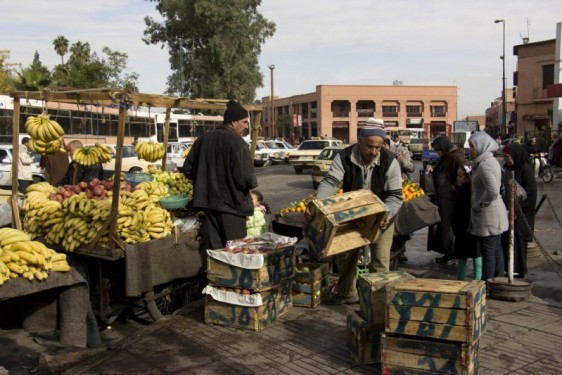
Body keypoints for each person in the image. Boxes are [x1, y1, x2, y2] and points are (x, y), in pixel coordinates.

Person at [313, 126, 403, 304]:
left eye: (378, 147)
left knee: (380, 260)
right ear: (359, 141)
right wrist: (318, 204)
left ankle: (377, 301)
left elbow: (396, 196)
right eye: (370, 146)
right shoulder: (344, 156)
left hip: (382, 215)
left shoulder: (390, 160)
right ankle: (346, 293)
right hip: (352, 213)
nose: (374, 151)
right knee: (346, 256)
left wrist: (386, 215)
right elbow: (331, 182)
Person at [183, 100, 257, 249]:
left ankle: (217, 273)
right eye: (244, 122)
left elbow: (187, 169)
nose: (246, 126)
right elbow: (245, 178)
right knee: (236, 250)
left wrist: (205, 181)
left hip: (209, 205)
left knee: (216, 250)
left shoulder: (203, 139)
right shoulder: (237, 142)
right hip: (232, 207)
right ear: (233, 122)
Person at [468, 132, 508, 295]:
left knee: (489, 251)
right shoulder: (488, 162)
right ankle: (497, 280)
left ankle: (488, 285)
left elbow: (493, 191)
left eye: (472, 147)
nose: (470, 150)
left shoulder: (485, 165)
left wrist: (480, 204)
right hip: (492, 214)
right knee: (495, 249)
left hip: (488, 215)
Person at [426, 136, 466, 265]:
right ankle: (447, 251)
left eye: (438, 149)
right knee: (443, 225)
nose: (438, 152)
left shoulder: (455, 156)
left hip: (450, 199)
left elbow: (463, 175)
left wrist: (455, 186)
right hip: (443, 198)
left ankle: (451, 252)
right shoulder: (447, 156)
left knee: (449, 226)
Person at [501, 142, 537, 279]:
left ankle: (518, 270)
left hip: (522, 214)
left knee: (518, 241)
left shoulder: (526, 169)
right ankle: (508, 268)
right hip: (508, 211)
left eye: (508, 157)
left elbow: (531, 193)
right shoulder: (506, 169)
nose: (506, 160)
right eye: (504, 157)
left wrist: (518, 208)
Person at [452, 166, 481, 281]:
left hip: (463, 227)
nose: (458, 178)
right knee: (476, 253)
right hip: (473, 225)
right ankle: (477, 279)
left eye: (460, 176)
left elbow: (456, 211)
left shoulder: (463, 190)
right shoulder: (475, 189)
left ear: (467, 177)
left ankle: (461, 279)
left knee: (463, 254)